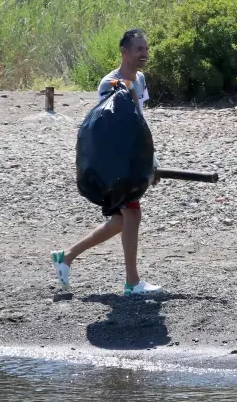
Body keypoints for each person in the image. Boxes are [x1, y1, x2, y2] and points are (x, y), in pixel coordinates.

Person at [51, 29, 163, 296]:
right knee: (132, 214)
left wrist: (151, 159)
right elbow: (108, 125)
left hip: (133, 158)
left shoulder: (141, 79)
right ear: (124, 52)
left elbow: (139, 121)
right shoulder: (109, 83)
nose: (144, 54)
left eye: (146, 48)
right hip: (115, 163)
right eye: (138, 49)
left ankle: (66, 257)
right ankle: (133, 283)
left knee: (119, 221)